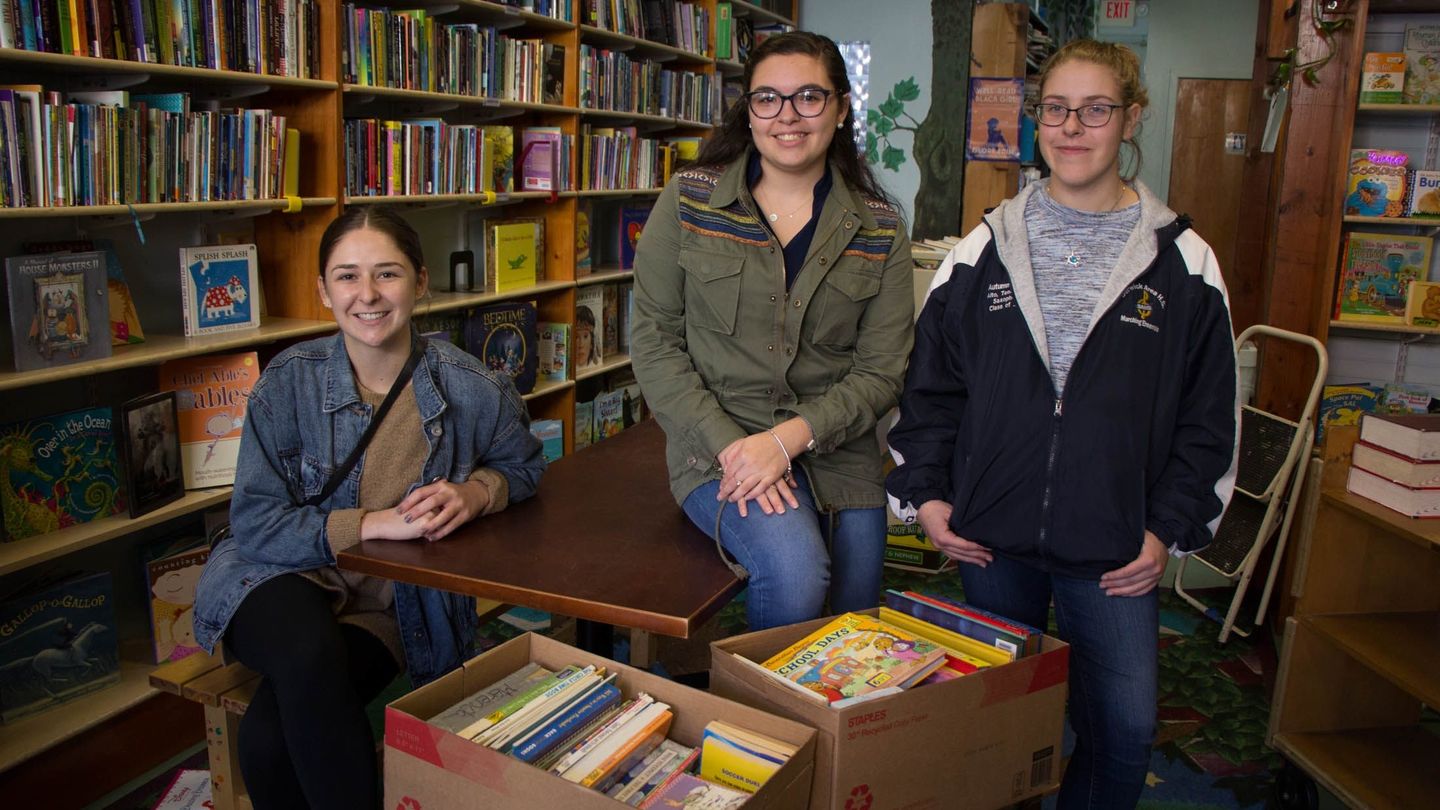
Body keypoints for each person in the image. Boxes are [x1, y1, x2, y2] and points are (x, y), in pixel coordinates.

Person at [885, 40, 1237, 809]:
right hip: (989, 539)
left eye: (1096, 109)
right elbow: (932, 391)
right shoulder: (981, 250)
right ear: (1036, 119)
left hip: (1114, 550)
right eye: (1056, 109)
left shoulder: (1185, 263)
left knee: (1121, 734)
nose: (1073, 128)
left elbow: (1210, 423)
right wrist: (928, 497)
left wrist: (1164, 530)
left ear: (1131, 117)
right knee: (996, 730)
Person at [192, 207, 546, 810]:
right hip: (273, 575)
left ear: (420, 281)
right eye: (347, 277)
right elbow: (254, 523)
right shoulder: (288, 382)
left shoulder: (470, 387)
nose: (368, 295)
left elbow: (527, 467)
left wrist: (475, 492)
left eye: (387, 274)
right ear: (323, 290)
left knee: (270, 738)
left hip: (389, 602)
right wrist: (371, 524)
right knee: (306, 652)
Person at [630, 31, 914, 632]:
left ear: (839, 109)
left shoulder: (881, 226)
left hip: (837, 452)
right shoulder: (690, 201)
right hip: (717, 449)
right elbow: (654, 341)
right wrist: (735, 448)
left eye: (809, 96)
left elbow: (882, 370)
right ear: (749, 110)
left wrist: (788, 441)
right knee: (797, 570)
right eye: (768, 98)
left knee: (855, 621)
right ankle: (763, 722)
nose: (787, 116)